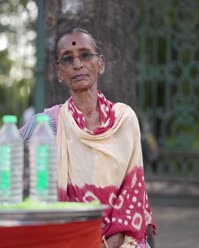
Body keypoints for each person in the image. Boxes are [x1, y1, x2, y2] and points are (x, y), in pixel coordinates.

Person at [20, 28, 156, 248]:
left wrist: (107, 244)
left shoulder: (124, 119)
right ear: (59, 72)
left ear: (100, 64)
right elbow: (17, 163)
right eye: (67, 59)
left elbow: (134, 192)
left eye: (85, 55)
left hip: (122, 240)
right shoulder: (48, 125)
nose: (77, 64)